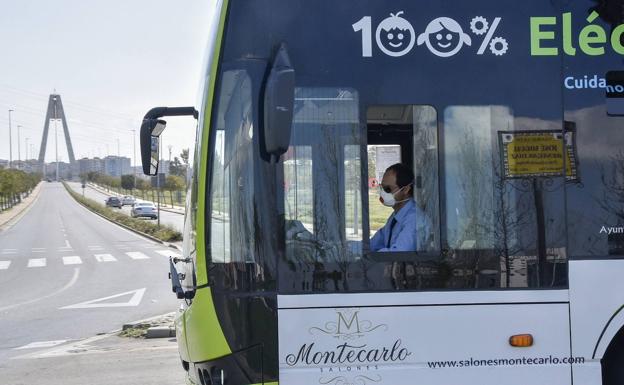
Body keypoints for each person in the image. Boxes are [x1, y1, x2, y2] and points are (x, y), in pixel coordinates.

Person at [370, 163, 424, 252]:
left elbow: (398, 254)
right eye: (382, 188)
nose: (383, 193)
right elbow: (373, 244)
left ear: (406, 189)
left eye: (388, 189)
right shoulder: (396, 217)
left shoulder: (414, 219)